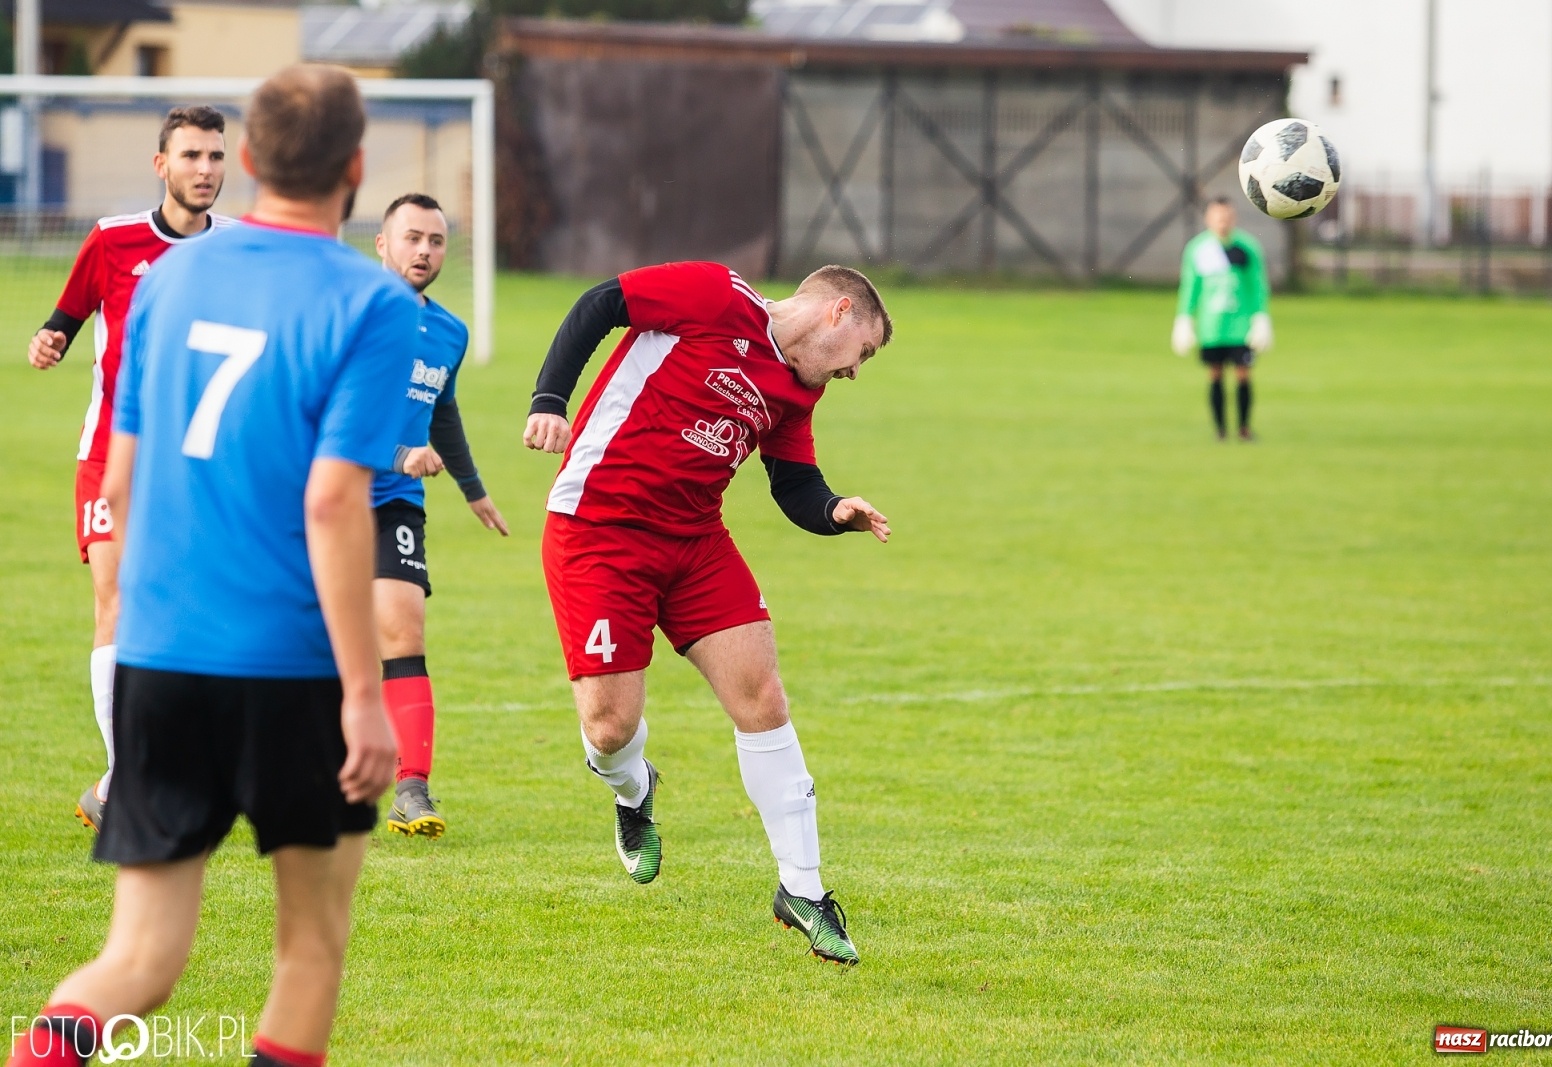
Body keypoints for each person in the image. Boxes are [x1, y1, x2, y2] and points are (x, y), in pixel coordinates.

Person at [7, 65, 419, 1067]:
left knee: (137, 958)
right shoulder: (372, 302)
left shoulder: (168, 277)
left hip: (163, 654)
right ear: (356, 167)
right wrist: (367, 695)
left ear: (243, 163)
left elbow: (124, 470)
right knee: (309, 949)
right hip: (293, 665)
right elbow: (331, 502)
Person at [524, 261, 892, 967]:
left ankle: (803, 890)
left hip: (694, 542)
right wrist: (549, 397)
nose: (854, 372)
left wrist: (834, 509)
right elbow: (601, 301)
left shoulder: (797, 388)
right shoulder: (716, 296)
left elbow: (793, 481)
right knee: (609, 727)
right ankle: (634, 790)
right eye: (863, 353)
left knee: (762, 694)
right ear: (838, 311)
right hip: (599, 527)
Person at [26, 106, 234, 832]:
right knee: (114, 600)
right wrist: (49, 339)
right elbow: (66, 315)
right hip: (110, 452)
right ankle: (131, 777)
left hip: (196, 462)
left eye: (215, 156)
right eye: (191, 156)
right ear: (161, 164)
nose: (205, 169)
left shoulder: (236, 249)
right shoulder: (113, 240)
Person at [370, 192, 508, 839]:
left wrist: (473, 488)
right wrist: (399, 452)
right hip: (321, 494)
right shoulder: (351, 315)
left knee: (404, 629)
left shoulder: (450, 331)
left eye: (436, 240)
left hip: (396, 501)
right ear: (383, 244)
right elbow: (311, 413)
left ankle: (411, 788)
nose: (425, 250)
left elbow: (442, 410)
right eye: (412, 237)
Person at [1171, 196, 1273, 441]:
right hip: (1212, 327)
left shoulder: (1246, 248)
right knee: (1215, 374)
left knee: (1243, 374)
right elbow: (1190, 286)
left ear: (1233, 218)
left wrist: (1261, 317)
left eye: (1227, 217)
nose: (1222, 222)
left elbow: (1257, 285)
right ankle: (1220, 430)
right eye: (1218, 217)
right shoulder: (1198, 249)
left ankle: (1244, 428)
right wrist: (1184, 318)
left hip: (1241, 326)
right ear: (1208, 219)